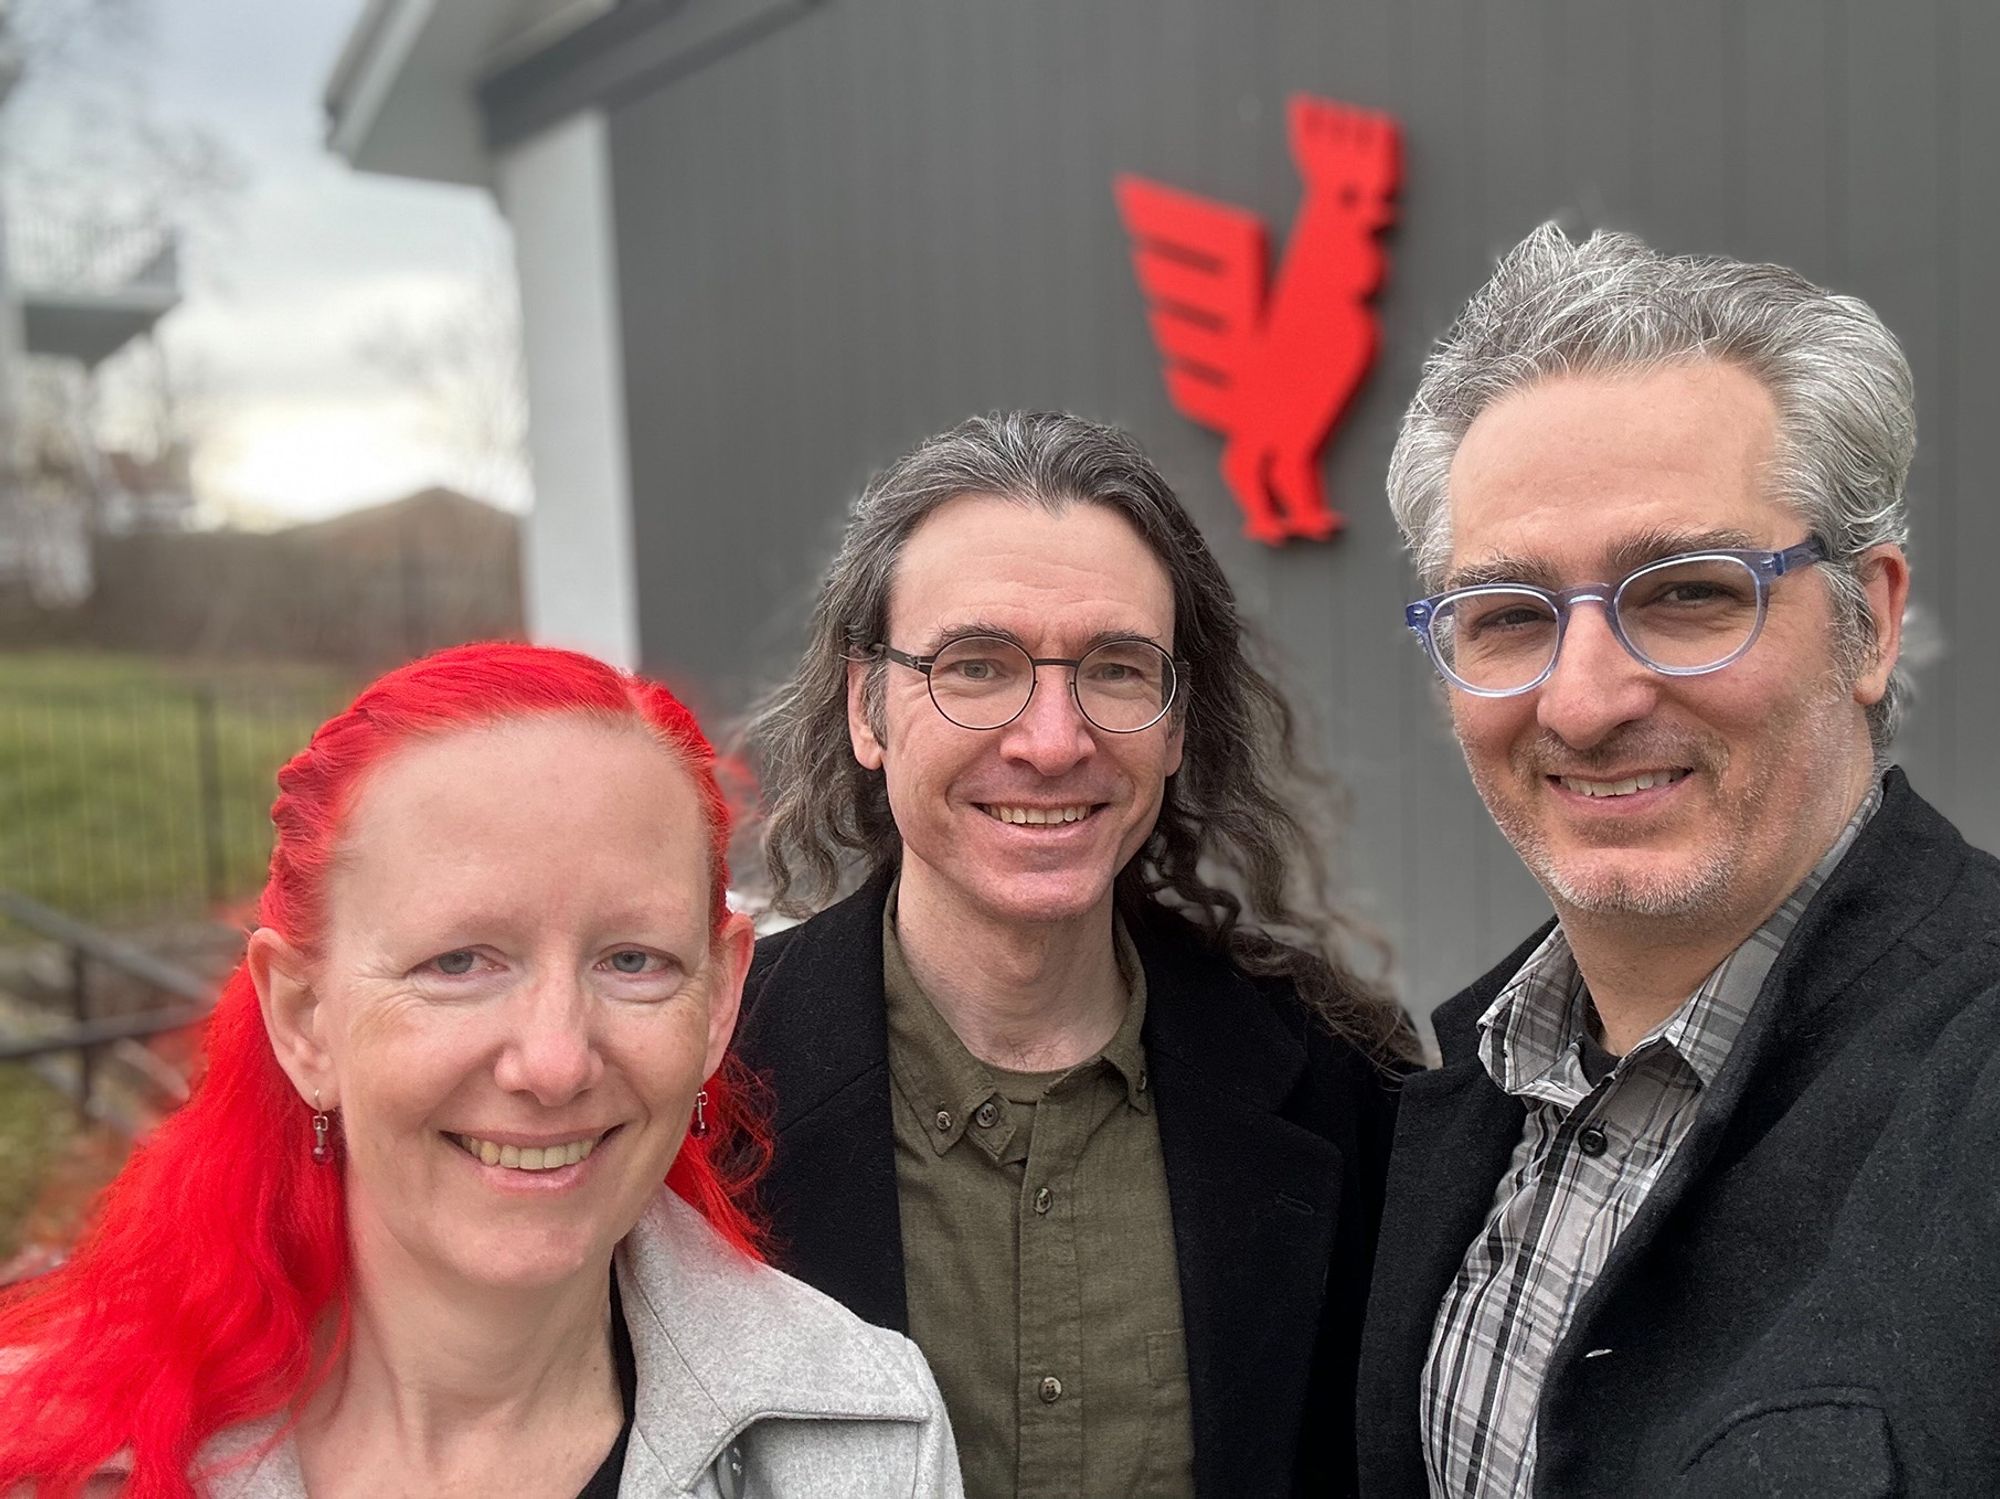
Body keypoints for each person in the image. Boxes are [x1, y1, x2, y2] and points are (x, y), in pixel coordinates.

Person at [0, 642, 961, 1499]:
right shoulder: (54, 1457)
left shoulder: (863, 1440)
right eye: (458, 963)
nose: (553, 1062)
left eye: (633, 961)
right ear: (303, 1019)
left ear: (717, 1004)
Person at [1358, 224, 2000, 1495]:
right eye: (1505, 616)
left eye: (1688, 592)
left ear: (1867, 621)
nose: (1583, 700)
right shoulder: (1446, 1109)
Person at [737, 410, 1414, 1499]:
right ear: (866, 706)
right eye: (975, 664)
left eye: (1113, 669)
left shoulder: (1344, 1091)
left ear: (1177, 721)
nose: (1052, 740)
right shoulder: (702, 1086)